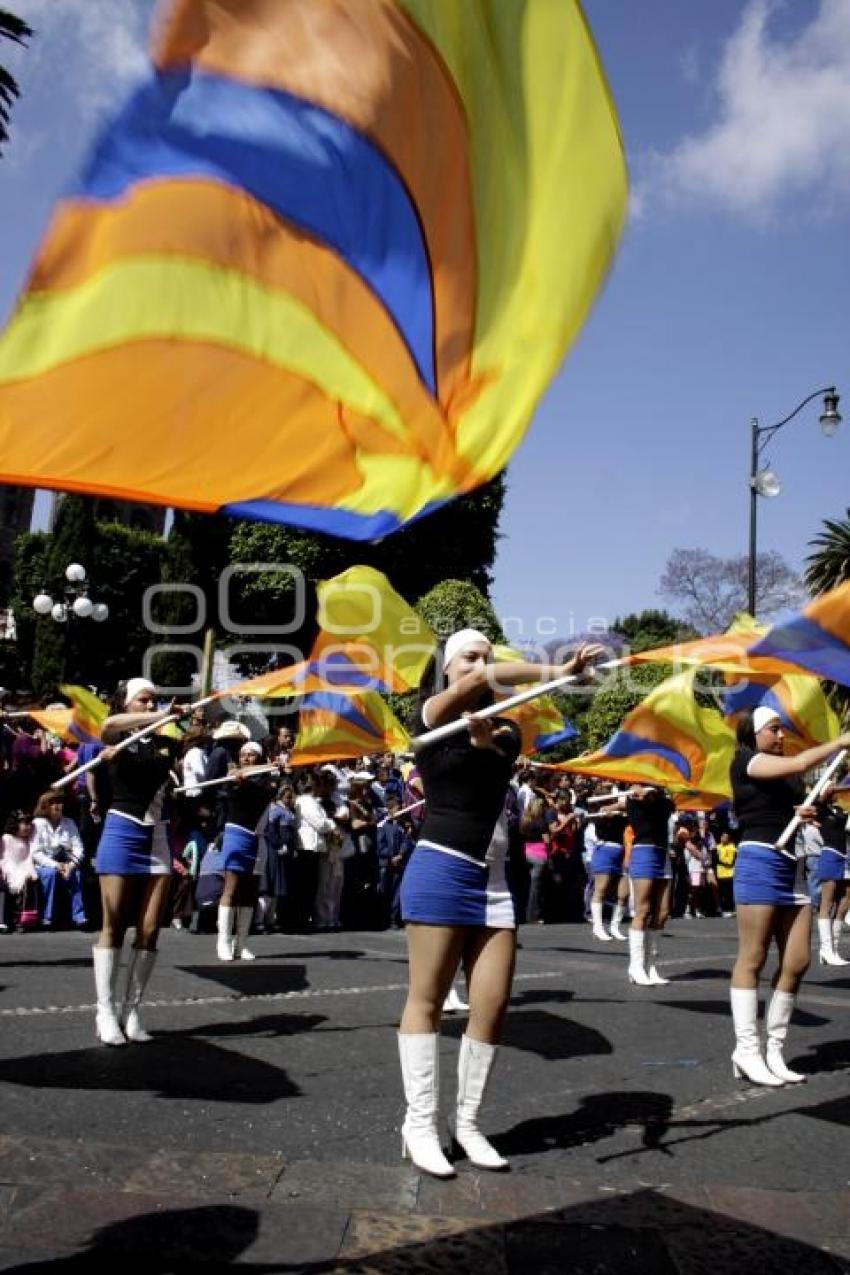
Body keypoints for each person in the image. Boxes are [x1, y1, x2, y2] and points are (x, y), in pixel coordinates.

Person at [397, 628, 602, 1177]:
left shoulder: (509, 728)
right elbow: (475, 689)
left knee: (490, 1007)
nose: (482, 664)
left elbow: (494, 756)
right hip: (439, 869)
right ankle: (419, 1124)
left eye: (488, 655)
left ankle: (467, 1124)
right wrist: (557, 674)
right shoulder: (431, 716)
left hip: (491, 883)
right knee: (428, 1000)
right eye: (469, 655)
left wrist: (487, 739)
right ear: (444, 666)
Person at [728, 707, 850, 1086]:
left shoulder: (780, 773)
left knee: (797, 961)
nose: (781, 735)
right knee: (754, 956)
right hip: (758, 860)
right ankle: (746, 1050)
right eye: (773, 729)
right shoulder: (746, 761)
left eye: (781, 730)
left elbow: (784, 800)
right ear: (753, 733)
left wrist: (805, 811)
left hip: (789, 864)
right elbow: (798, 763)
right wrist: (841, 742)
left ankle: (774, 1050)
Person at [91, 678, 182, 1046]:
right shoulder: (116, 732)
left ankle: (132, 1010)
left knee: (150, 929)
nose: (150, 705)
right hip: (121, 830)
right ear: (127, 703)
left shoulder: (164, 742)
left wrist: (166, 722)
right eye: (144, 700)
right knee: (113, 924)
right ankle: (105, 1010)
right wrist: (158, 717)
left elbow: (159, 769)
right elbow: (107, 727)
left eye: (154, 700)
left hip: (156, 836)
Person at [216, 740, 276, 961]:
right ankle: (223, 941)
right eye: (243, 754)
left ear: (259, 759)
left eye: (251, 755)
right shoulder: (231, 779)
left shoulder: (266, 780)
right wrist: (237, 781)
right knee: (231, 888)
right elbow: (229, 794)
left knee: (250, 892)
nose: (246, 758)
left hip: (257, 839)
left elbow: (265, 793)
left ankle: (241, 944)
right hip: (236, 835)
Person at [624, 786, 675, 986]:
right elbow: (637, 803)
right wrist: (639, 792)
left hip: (663, 853)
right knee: (643, 910)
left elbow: (670, 804)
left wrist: (657, 792)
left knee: (662, 912)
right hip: (644, 851)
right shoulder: (634, 799)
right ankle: (636, 967)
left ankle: (651, 966)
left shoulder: (664, 801)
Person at [32, 790, 87, 928]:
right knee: (50, 874)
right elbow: (36, 853)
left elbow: (79, 848)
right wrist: (57, 866)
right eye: (53, 803)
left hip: (67, 863)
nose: (58, 806)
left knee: (77, 874)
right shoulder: (37, 824)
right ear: (45, 806)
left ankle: (79, 917)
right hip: (44, 864)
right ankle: (47, 917)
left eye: (60, 802)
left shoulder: (69, 823)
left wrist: (70, 866)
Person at [813, 787, 849, 967]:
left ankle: (833, 949)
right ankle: (826, 950)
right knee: (827, 902)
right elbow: (822, 797)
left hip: (844, 856)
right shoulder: (820, 809)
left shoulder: (841, 810)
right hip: (829, 853)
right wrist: (840, 786)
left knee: (844, 900)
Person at [587, 796, 627, 941]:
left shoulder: (623, 814)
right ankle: (597, 927)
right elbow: (605, 810)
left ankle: (614, 927)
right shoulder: (601, 812)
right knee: (601, 890)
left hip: (622, 852)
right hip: (605, 851)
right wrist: (618, 806)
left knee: (623, 894)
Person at [0, 811, 38, 931]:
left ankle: (24, 917)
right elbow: (4, 857)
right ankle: (11, 918)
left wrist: (30, 871)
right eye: (24, 823)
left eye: (29, 824)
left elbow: (28, 858)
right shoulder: (6, 838)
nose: (28, 827)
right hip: (9, 868)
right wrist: (7, 870)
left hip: (23, 867)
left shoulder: (28, 841)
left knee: (29, 881)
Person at [716, 830, 737, 916]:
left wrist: (719, 860)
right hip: (720, 873)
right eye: (722, 836)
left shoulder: (732, 847)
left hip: (729, 874)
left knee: (729, 893)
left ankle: (730, 909)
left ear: (729, 838)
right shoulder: (717, 847)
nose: (723, 838)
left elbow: (730, 861)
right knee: (721, 892)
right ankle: (723, 909)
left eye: (725, 837)